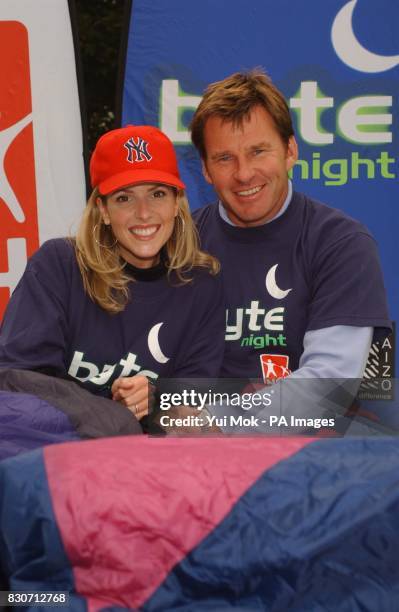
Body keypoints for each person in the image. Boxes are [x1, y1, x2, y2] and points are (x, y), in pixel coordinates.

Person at [187, 69, 391, 429]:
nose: (244, 173)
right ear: (204, 169)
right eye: (224, 158)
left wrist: (215, 423)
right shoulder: (180, 244)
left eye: (258, 151)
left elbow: (329, 386)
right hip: (197, 449)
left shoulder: (341, 243)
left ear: (290, 151)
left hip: (310, 449)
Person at [0, 125, 225, 422]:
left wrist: (156, 398)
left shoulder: (200, 283)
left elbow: (198, 398)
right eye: (124, 198)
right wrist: (109, 413)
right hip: (56, 450)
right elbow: (18, 377)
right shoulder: (58, 266)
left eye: (157, 194)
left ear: (176, 204)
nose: (144, 213)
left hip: (152, 460)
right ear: (102, 209)